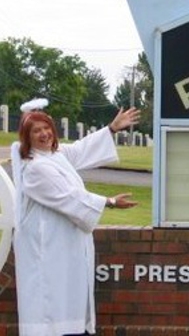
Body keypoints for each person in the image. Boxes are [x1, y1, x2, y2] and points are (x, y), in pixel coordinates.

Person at [11, 101, 140, 336]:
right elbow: (69, 198)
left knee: (68, 303)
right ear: (26, 138)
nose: (44, 134)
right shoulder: (35, 168)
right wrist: (109, 202)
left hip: (64, 251)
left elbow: (81, 149)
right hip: (47, 253)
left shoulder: (55, 155)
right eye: (36, 131)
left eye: (46, 127)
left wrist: (111, 128)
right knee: (50, 309)